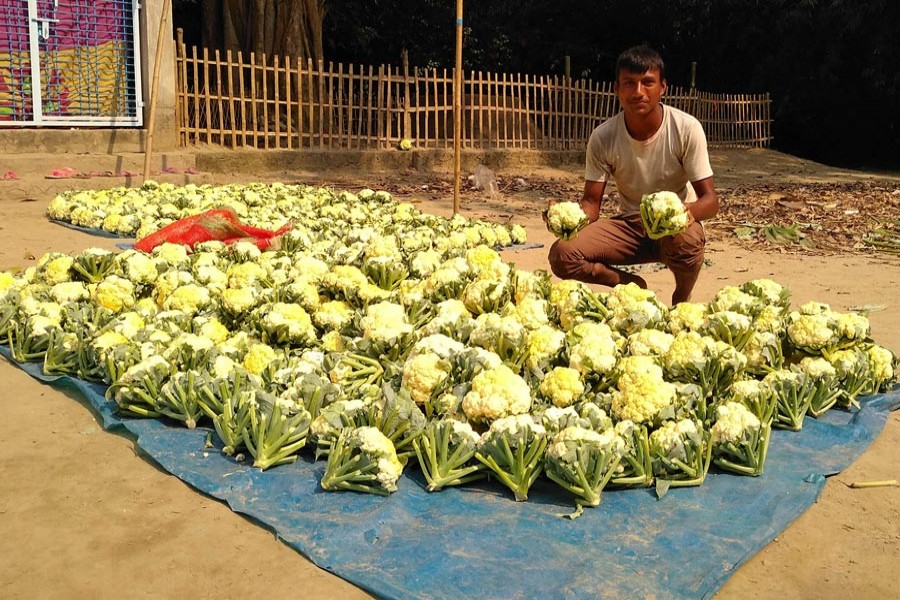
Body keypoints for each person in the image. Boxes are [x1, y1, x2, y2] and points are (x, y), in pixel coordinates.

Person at [547, 45, 718, 304]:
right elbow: (592, 205)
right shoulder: (603, 137)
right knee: (563, 254)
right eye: (629, 83)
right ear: (617, 89)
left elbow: (710, 202)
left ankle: (681, 296)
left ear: (663, 88)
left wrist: (684, 214)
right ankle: (629, 285)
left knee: (687, 241)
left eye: (647, 82)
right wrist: (564, 217)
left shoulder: (686, 128)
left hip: (674, 230)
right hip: (629, 226)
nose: (638, 92)